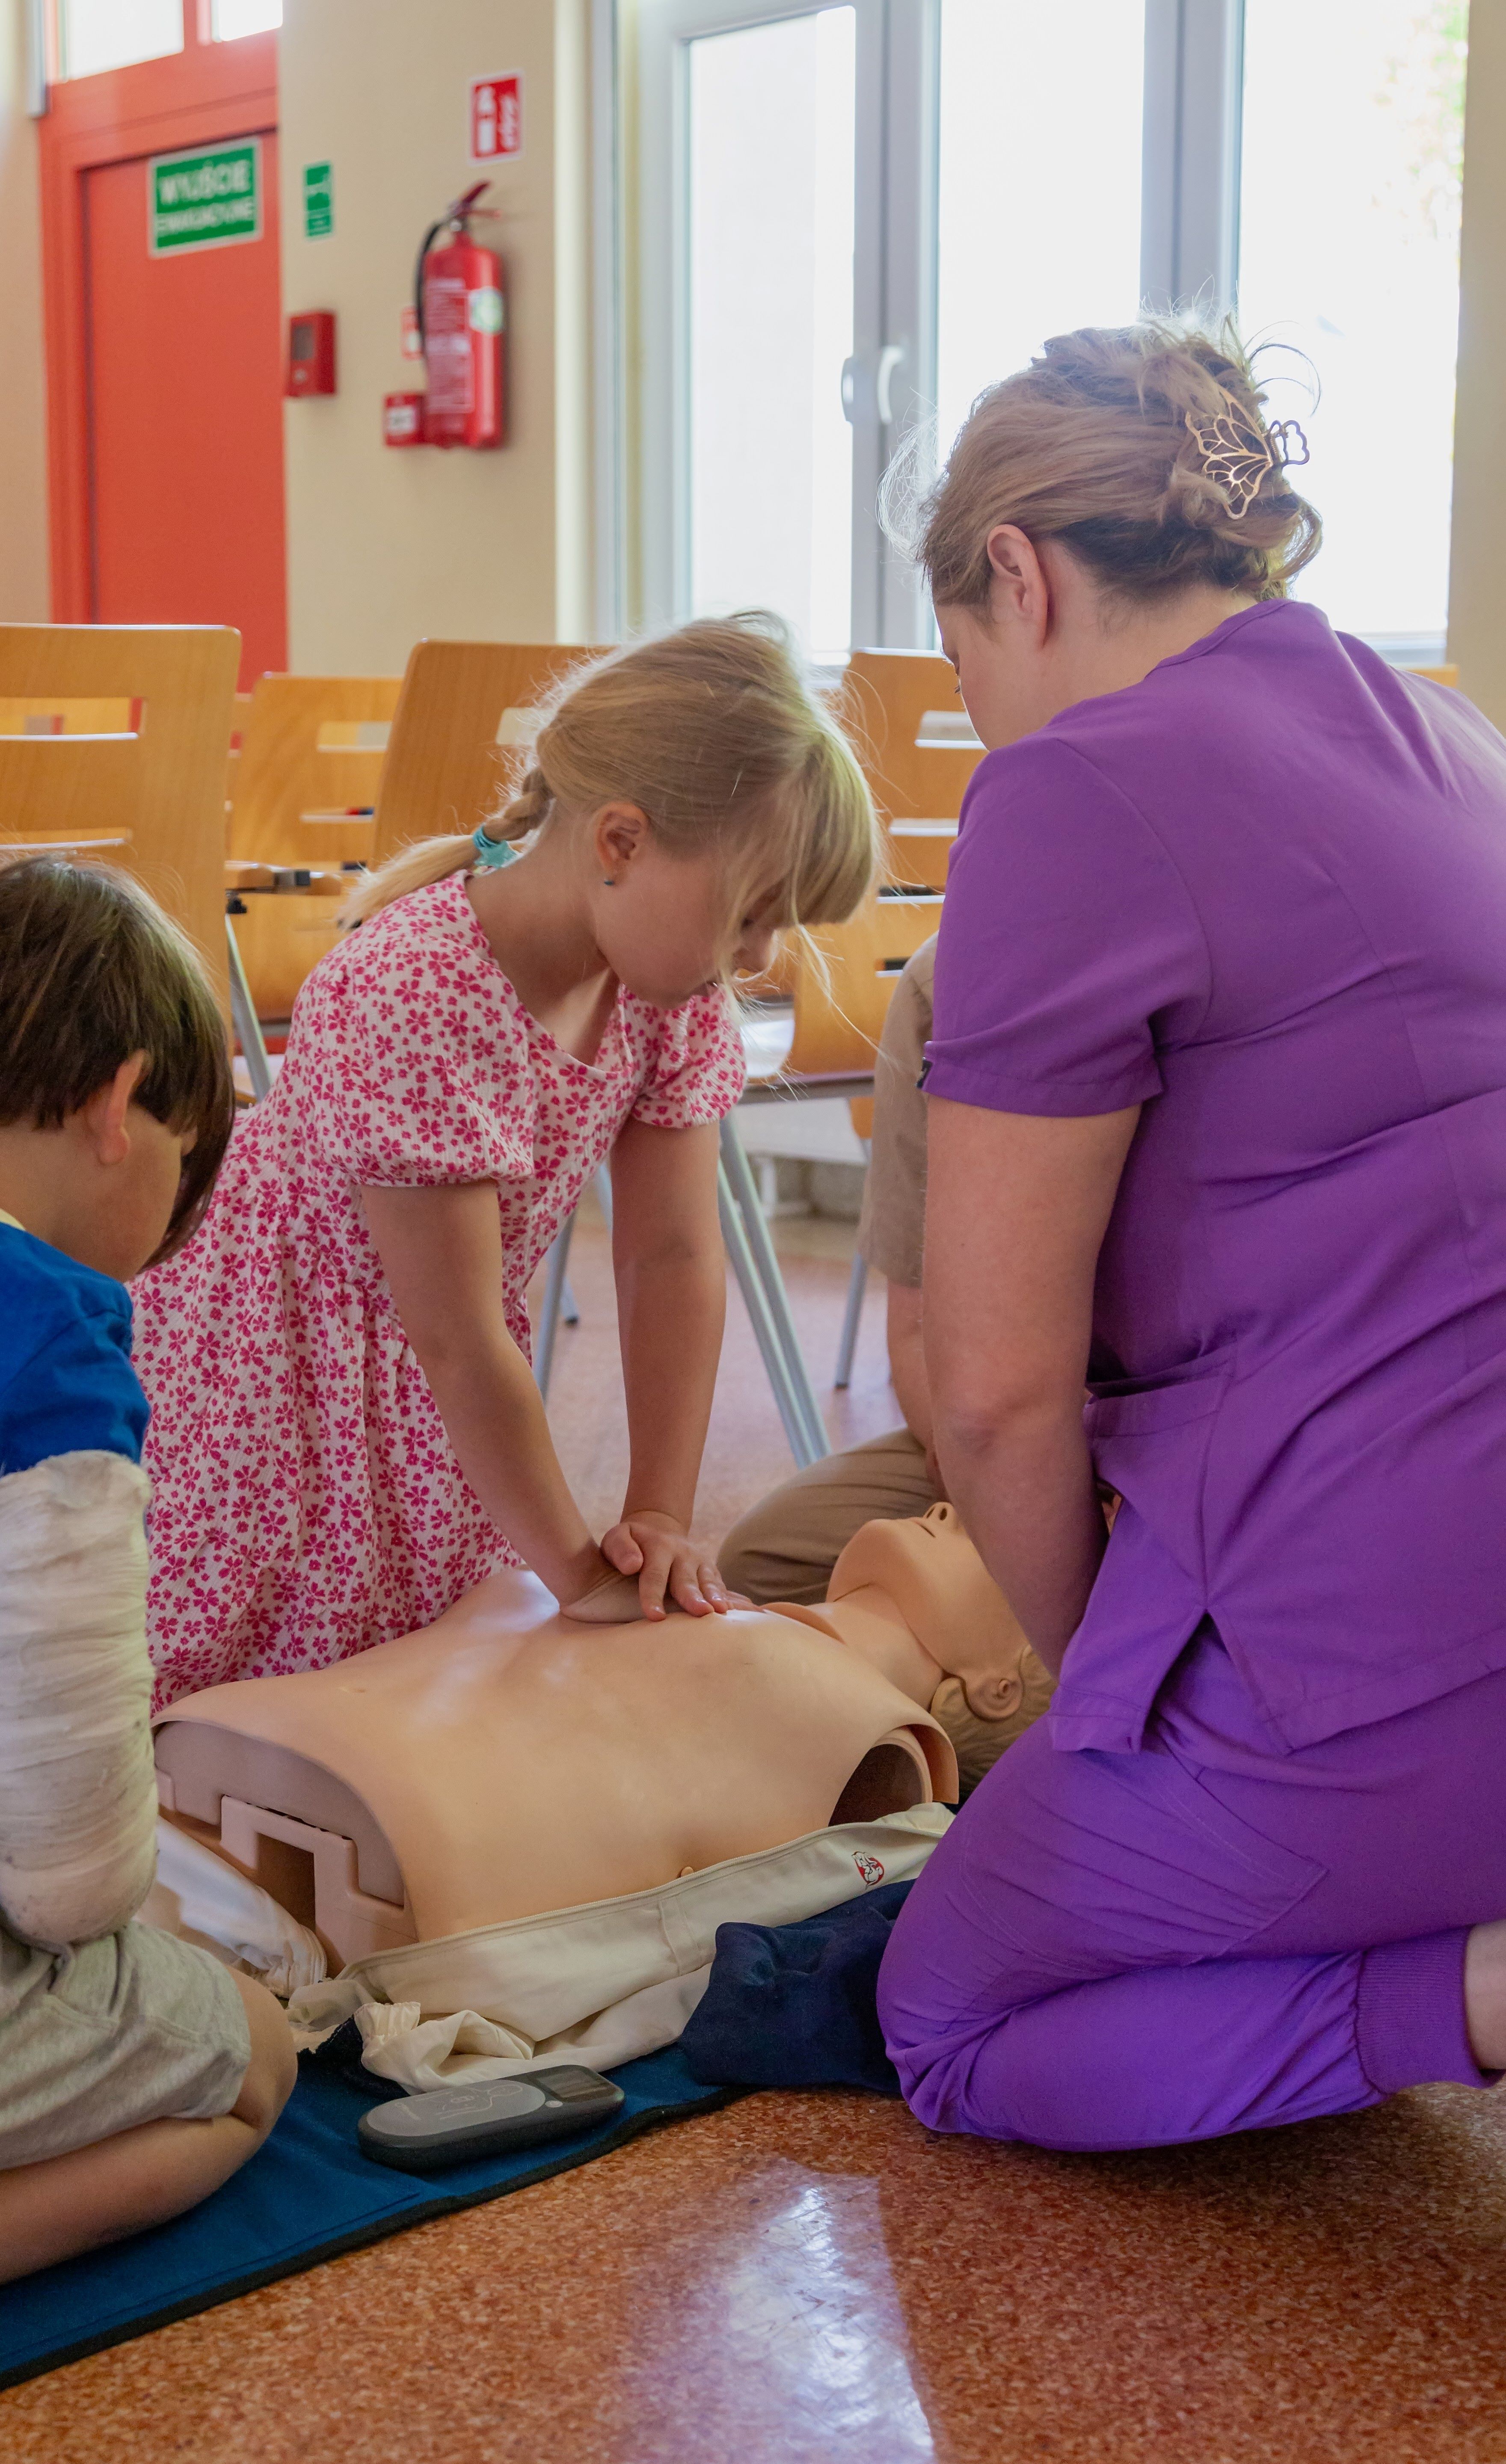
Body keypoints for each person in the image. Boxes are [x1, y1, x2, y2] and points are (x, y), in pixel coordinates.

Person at [875, 318, 1506, 2151]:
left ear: (1019, 575)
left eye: (966, 669)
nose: (987, 718)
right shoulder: (1452, 731)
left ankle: (1476, 1989)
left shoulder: (1073, 790)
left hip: (1400, 1653)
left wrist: (1101, 1699)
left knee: (948, 2010)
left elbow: (991, 1393)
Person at [136, 614, 877, 1707]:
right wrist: (578, 1573)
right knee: (239, 1682)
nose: (761, 959)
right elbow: (457, 1339)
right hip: (273, 1362)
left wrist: (659, 1514)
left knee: (410, 1678)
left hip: (430, 1371)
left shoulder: (667, 991)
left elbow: (672, 1258)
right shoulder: (413, 986)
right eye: (750, 916)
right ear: (620, 844)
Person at [0, 860, 295, 2344]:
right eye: (184, 1165)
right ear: (120, 1106)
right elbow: (64, 1882)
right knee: (250, 2058)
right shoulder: (46, 1351)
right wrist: (137, 1919)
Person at [719, 936, 943, 1603]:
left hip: (1173, 1425)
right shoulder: (939, 982)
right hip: (1014, 1432)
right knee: (756, 1564)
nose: (761, 960)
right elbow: (917, 1329)